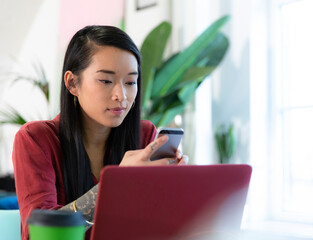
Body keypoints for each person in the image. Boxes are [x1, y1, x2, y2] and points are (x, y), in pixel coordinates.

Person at [12, 25, 188, 240]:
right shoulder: (36, 139)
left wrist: (175, 190)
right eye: (106, 81)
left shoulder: (144, 135)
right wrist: (118, 185)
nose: (121, 95)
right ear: (72, 83)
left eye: (131, 82)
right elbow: (40, 235)